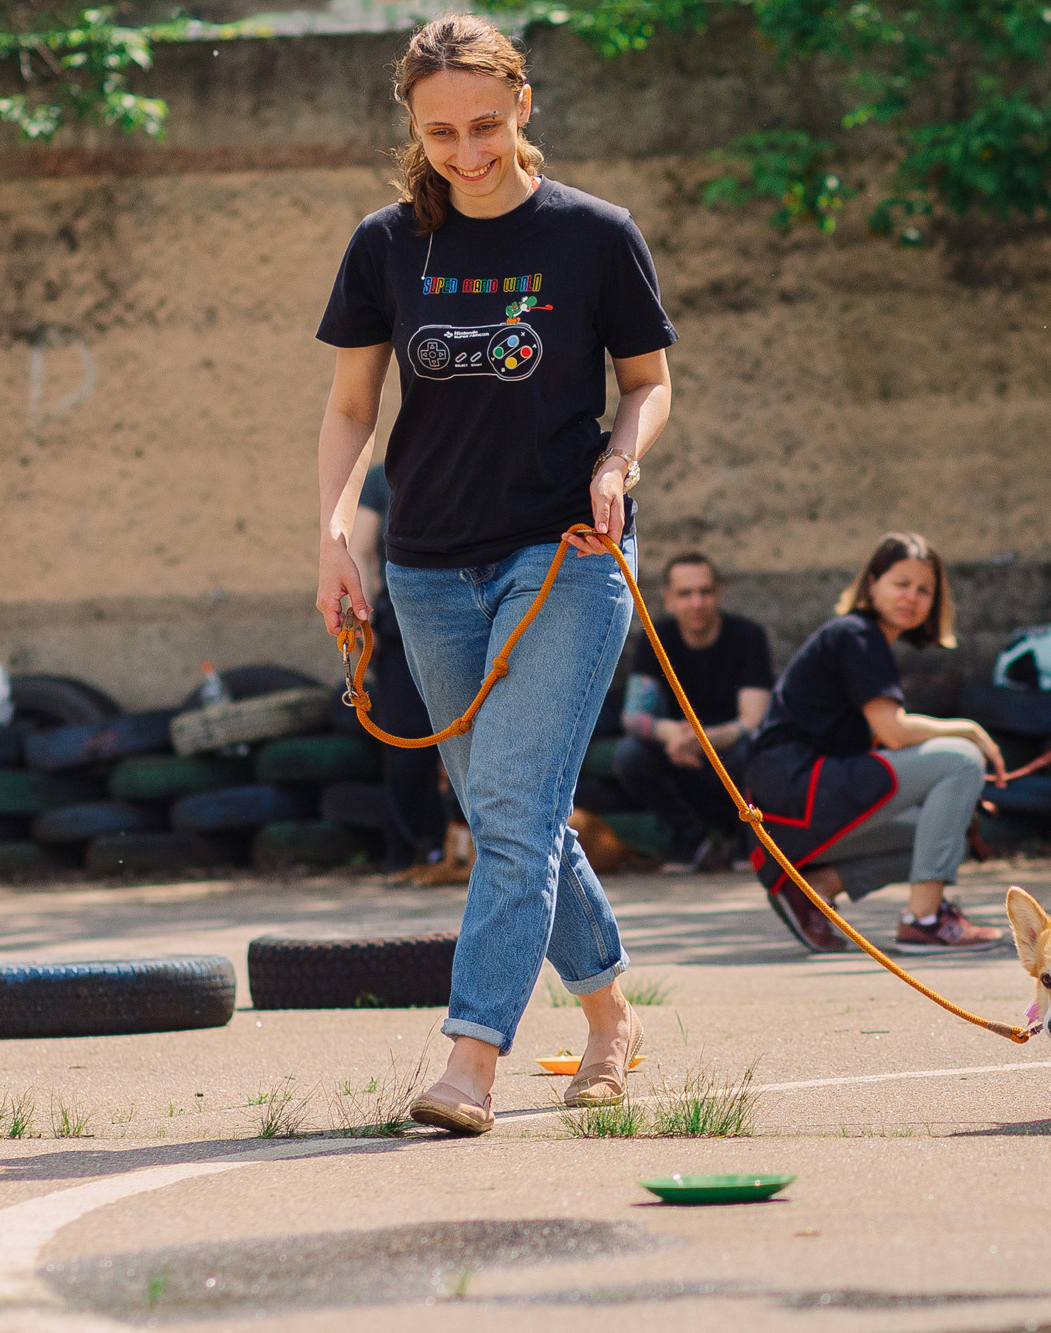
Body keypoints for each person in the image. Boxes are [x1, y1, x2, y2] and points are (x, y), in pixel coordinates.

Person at [314, 14, 675, 1135]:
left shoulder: (594, 235)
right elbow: (350, 408)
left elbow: (649, 382)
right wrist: (333, 533)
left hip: (565, 555)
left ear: (522, 105)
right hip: (427, 569)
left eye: (484, 124)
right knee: (514, 812)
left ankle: (471, 1058)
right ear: (412, 130)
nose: (466, 152)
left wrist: (618, 462)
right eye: (440, 133)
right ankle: (611, 1015)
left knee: (510, 816)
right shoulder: (385, 245)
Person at [745, 532, 1012, 954]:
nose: (912, 597)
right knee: (961, 759)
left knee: (948, 839)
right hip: (799, 793)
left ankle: (814, 889)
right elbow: (894, 732)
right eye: (901, 583)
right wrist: (970, 731)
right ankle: (924, 920)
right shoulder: (857, 634)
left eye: (924, 590)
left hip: (784, 811)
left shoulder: (865, 640)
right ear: (872, 584)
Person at [614, 552, 774, 872]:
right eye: (685, 594)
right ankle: (691, 838)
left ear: (719, 593)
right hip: (677, 757)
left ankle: (746, 841)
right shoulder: (656, 637)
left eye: (705, 592)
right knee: (629, 756)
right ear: (668, 600)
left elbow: (752, 721)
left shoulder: (747, 636)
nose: (697, 603)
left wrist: (701, 739)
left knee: (755, 752)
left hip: (727, 757)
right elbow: (633, 715)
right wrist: (670, 734)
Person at [352, 464, 447, 876]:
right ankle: (404, 854)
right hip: (400, 622)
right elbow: (360, 549)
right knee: (406, 741)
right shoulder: (382, 477)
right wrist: (362, 615)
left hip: (468, 612)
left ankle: (458, 852)